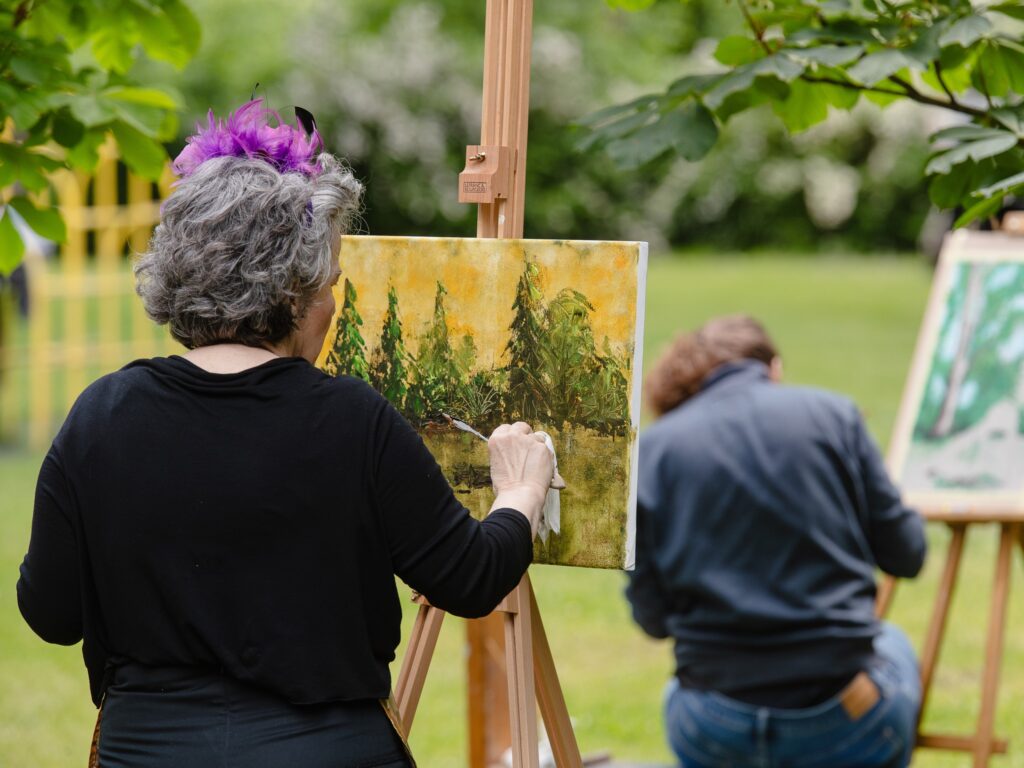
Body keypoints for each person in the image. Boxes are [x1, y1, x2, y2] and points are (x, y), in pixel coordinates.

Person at [17, 99, 556, 768]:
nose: (332, 304)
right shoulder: (352, 419)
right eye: (328, 281)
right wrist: (520, 491)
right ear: (293, 292)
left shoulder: (101, 414)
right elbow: (471, 579)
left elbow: (50, 613)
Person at [627, 315, 927, 768]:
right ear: (775, 369)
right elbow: (907, 554)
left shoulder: (655, 450)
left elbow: (652, 619)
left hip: (713, 722)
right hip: (843, 719)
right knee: (894, 643)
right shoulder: (835, 416)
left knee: (678, 689)